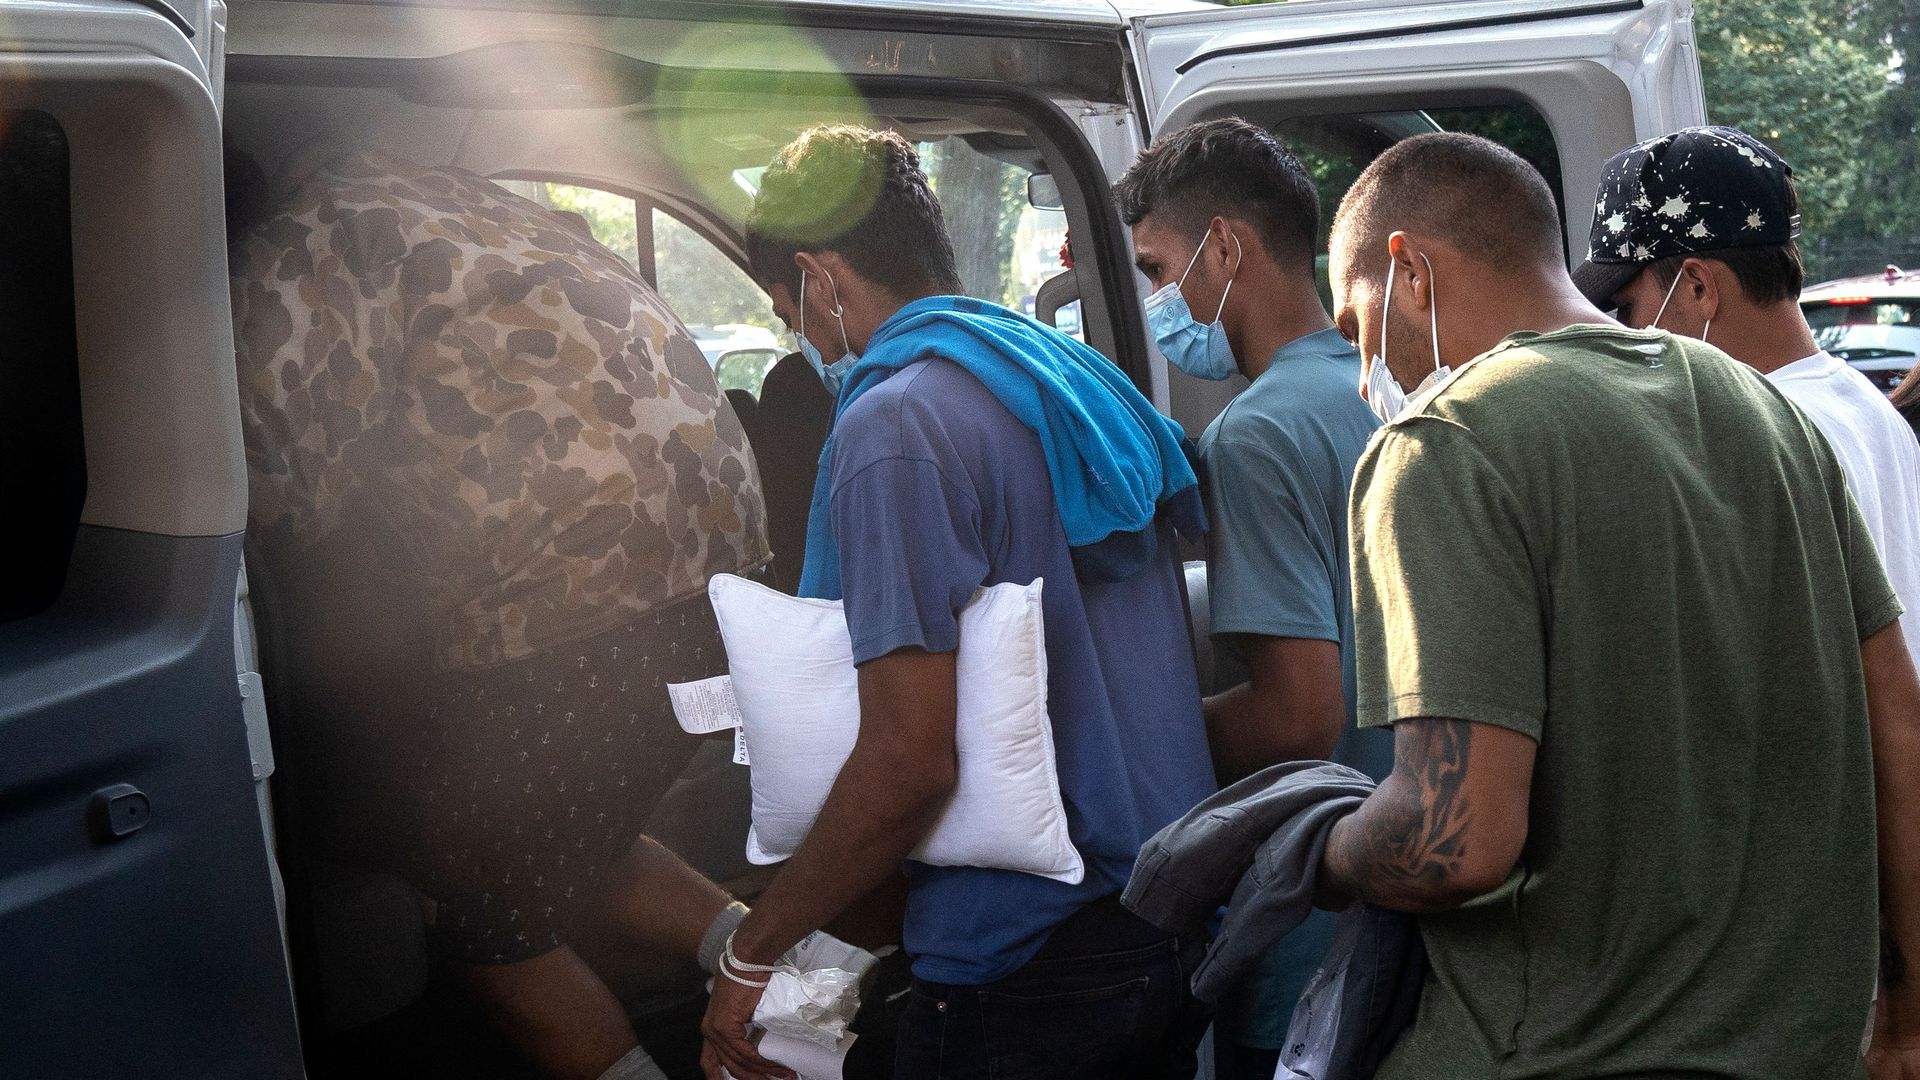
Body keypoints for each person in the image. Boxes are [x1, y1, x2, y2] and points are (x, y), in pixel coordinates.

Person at [1316, 132, 1920, 1078]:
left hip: (1562, 1048)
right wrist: (1907, 1011)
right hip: (1806, 1046)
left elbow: (1454, 846)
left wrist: (1321, 846)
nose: (1367, 371)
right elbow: (1899, 724)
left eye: (1358, 326)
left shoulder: (1444, 444)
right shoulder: (1757, 407)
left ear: (1409, 269)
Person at [229, 145, 773, 1080]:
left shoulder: (306, 238)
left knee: (480, 917)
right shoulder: (472, 201)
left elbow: (269, 485)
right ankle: (823, 977)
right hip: (716, 591)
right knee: (566, 845)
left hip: (576, 609)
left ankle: (789, 1011)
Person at [699, 125, 1216, 1080]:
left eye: (790, 313)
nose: (803, 342)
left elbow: (907, 764)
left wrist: (751, 950)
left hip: (1025, 962)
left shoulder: (897, 426)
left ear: (821, 278)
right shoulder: (1067, 378)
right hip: (1166, 924)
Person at [1113, 117, 1386, 1077]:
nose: (1158, 300)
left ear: (1226, 245)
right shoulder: (1388, 389)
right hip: (1413, 917)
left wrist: (1132, 748)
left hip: (1312, 931)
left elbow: (1298, 715)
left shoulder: (1258, 435)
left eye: (1156, 268)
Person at [1576, 125, 1920, 670]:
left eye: (1625, 307)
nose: (1624, 332)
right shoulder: (1870, 408)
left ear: (1697, 287)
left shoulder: (1756, 436)